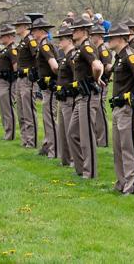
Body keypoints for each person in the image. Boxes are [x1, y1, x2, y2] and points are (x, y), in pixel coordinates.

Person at [106, 23, 134, 194]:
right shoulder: (120, 56)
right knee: (119, 148)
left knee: (129, 148)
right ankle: (121, 183)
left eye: (112, 37)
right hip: (118, 108)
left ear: (121, 38)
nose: (109, 40)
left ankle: (131, 186)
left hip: (128, 108)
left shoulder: (130, 55)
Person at [69, 17, 102, 179]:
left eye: (75, 30)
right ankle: (81, 168)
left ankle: (90, 172)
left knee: (86, 135)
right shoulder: (81, 47)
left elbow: (97, 65)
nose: (73, 32)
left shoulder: (86, 46)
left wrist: (95, 79)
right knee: (72, 133)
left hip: (88, 95)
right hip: (81, 96)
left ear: (83, 31)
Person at [33, 19, 60, 157]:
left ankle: (53, 150)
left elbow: (55, 66)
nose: (33, 32)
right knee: (47, 117)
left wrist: (56, 79)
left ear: (41, 31)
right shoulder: (45, 44)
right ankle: (47, 146)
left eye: (35, 30)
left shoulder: (45, 46)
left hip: (50, 87)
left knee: (50, 117)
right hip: (47, 87)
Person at [53, 25, 78, 168]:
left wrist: (69, 89)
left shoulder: (72, 57)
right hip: (62, 98)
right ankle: (65, 159)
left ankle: (74, 160)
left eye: (62, 39)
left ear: (69, 40)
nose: (59, 42)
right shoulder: (65, 57)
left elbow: (77, 77)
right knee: (62, 130)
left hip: (69, 98)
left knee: (70, 131)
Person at [12, 16, 38, 148]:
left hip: (28, 79)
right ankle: (25, 139)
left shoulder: (31, 41)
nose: (16, 28)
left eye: (18, 25)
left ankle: (31, 141)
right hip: (20, 78)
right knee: (21, 110)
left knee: (28, 111)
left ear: (26, 26)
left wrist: (31, 71)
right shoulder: (23, 41)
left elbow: (38, 58)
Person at [0, 26, 19, 140]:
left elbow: (16, 67)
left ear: (9, 36)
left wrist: (13, 83)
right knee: (4, 108)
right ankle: (6, 131)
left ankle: (10, 133)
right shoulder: (5, 48)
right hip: (0, 81)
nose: (0, 38)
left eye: (2, 36)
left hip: (7, 81)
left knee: (8, 108)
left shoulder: (12, 49)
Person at [89, 24, 112, 149]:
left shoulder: (103, 49)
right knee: (97, 111)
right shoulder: (96, 48)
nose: (91, 37)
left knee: (100, 112)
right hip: (96, 83)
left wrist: (104, 78)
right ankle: (98, 137)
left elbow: (108, 67)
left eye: (93, 35)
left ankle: (102, 140)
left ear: (99, 36)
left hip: (101, 83)